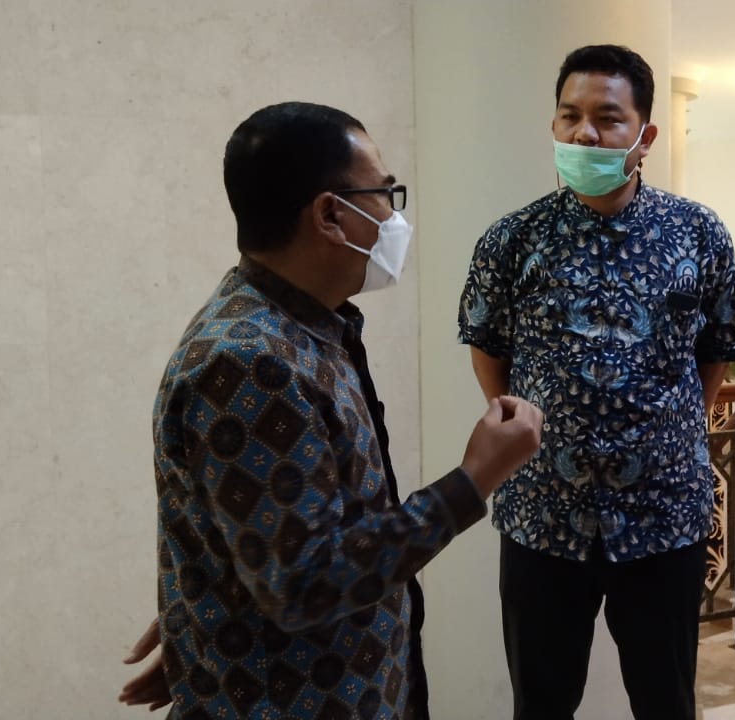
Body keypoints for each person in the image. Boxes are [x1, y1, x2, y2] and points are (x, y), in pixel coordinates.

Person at [118, 101, 545, 719]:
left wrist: (209, 608)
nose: (394, 217)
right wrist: (475, 478)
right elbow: (305, 583)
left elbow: (282, 538)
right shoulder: (251, 360)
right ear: (329, 215)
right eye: (384, 194)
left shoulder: (305, 327)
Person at [457, 44, 735, 720]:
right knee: (541, 703)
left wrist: (672, 431)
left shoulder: (698, 233)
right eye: (570, 116)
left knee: (666, 701)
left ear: (644, 136)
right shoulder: (512, 239)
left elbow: (717, 350)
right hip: (543, 515)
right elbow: (487, 349)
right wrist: (529, 435)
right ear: (554, 125)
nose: (584, 133)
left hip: (663, 516)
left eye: (607, 118)